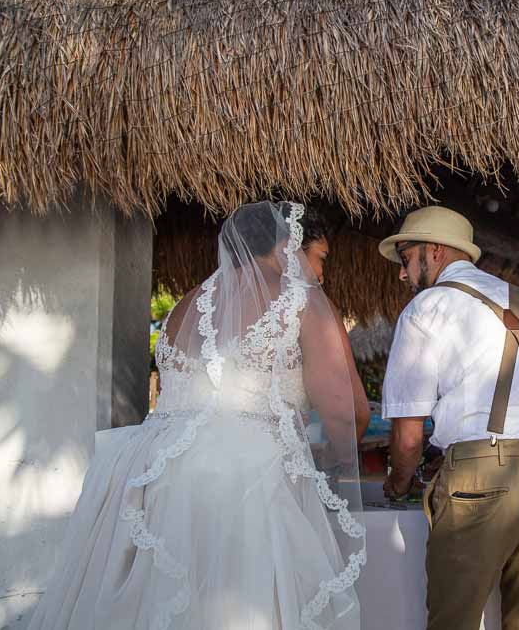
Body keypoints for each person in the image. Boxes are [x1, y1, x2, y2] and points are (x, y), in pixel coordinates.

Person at [28, 202, 371, 630]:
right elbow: (348, 412)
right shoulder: (300, 301)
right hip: (244, 478)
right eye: (319, 259)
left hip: (146, 470)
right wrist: (336, 465)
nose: (320, 275)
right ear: (288, 246)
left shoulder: (183, 307)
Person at [379, 206, 519, 630]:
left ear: (433, 251)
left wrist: (398, 484)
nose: (402, 274)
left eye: (405, 259)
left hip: (483, 477)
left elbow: (408, 434)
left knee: (455, 620)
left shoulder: (426, 309)